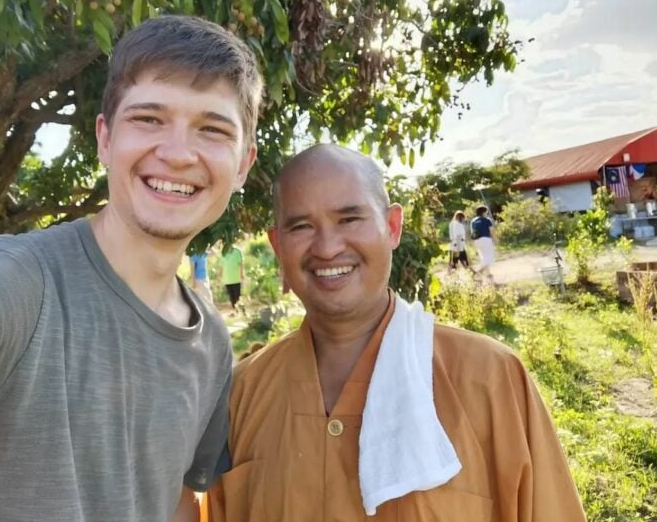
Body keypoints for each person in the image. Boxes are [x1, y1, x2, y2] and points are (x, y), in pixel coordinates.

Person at [0, 15, 262, 521]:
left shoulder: (210, 343)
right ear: (104, 139)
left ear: (243, 164)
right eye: (148, 119)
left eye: (212, 129)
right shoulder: (6, 288)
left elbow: (173, 499)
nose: (178, 153)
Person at [204, 144, 585, 522]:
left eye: (349, 219)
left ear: (392, 227)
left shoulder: (489, 379)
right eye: (301, 226)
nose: (328, 247)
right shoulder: (243, 394)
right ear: (277, 245)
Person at [471, 204, 496, 284]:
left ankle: (488, 274)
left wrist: (473, 244)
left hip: (477, 241)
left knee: (483, 257)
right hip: (486, 239)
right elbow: (491, 231)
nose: (487, 213)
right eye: (486, 212)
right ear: (484, 212)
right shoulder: (487, 220)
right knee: (489, 258)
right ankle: (478, 272)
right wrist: (495, 239)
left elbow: (473, 233)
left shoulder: (473, 221)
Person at [220, 244, 244, 311]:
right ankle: (236, 311)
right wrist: (220, 277)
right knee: (232, 297)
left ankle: (242, 311)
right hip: (227, 280)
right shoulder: (223, 253)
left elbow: (241, 264)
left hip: (236, 279)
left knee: (238, 297)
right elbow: (222, 266)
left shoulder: (237, 251)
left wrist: (242, 275)